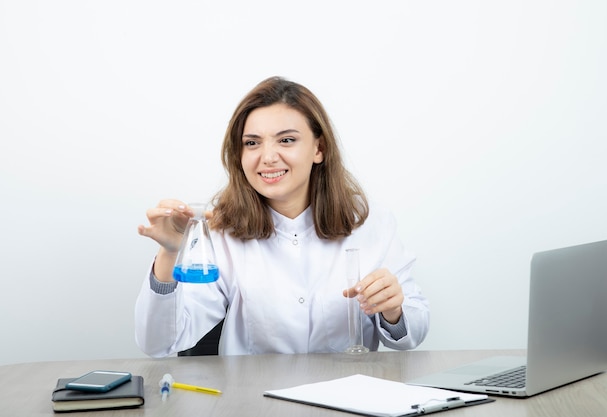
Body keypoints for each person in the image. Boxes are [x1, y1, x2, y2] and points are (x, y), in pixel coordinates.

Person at [135, 76, 429, 356]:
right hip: (254, 399)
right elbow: (160, 343)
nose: (268, 157)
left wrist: (393, 310)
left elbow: (412, 333)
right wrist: (171, 253)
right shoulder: (221, 233)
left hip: (347, 394)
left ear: (319, 148)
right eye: (252, 143)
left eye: (286, 140)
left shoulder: (370, 223)